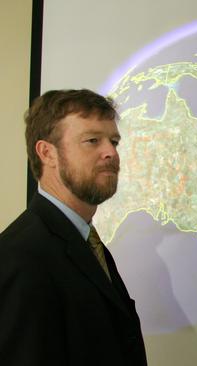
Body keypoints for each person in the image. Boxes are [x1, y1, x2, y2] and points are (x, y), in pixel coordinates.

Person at [0, 89, 147, 365]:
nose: (111, 153)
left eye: (114, 141)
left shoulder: (86, 241)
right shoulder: (20, 257)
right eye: (92, 140)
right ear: (47, 153)